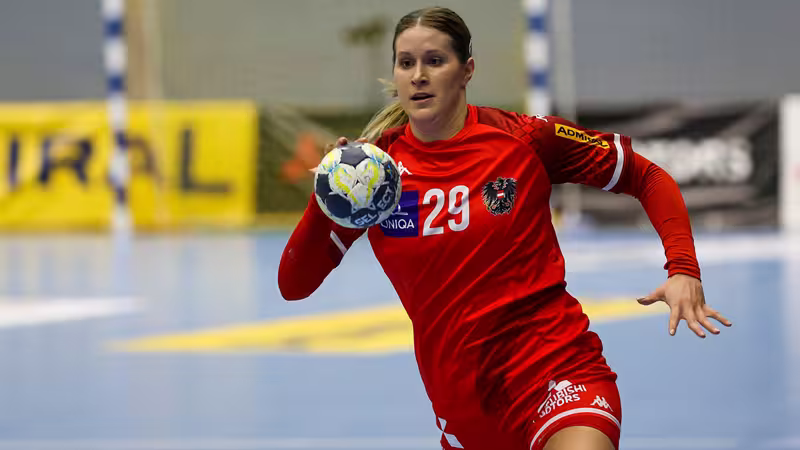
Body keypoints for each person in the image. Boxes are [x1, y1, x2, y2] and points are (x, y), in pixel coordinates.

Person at [278, 6, 732, 450]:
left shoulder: (521, 139)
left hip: (557, 372)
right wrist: (329, 197)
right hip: (465, 408)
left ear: (466, 71)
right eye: (406, 63)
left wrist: (683, 268)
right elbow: (294, 285)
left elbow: (645, 175)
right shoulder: (375, 176)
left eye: (435, 61)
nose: (418, 75)